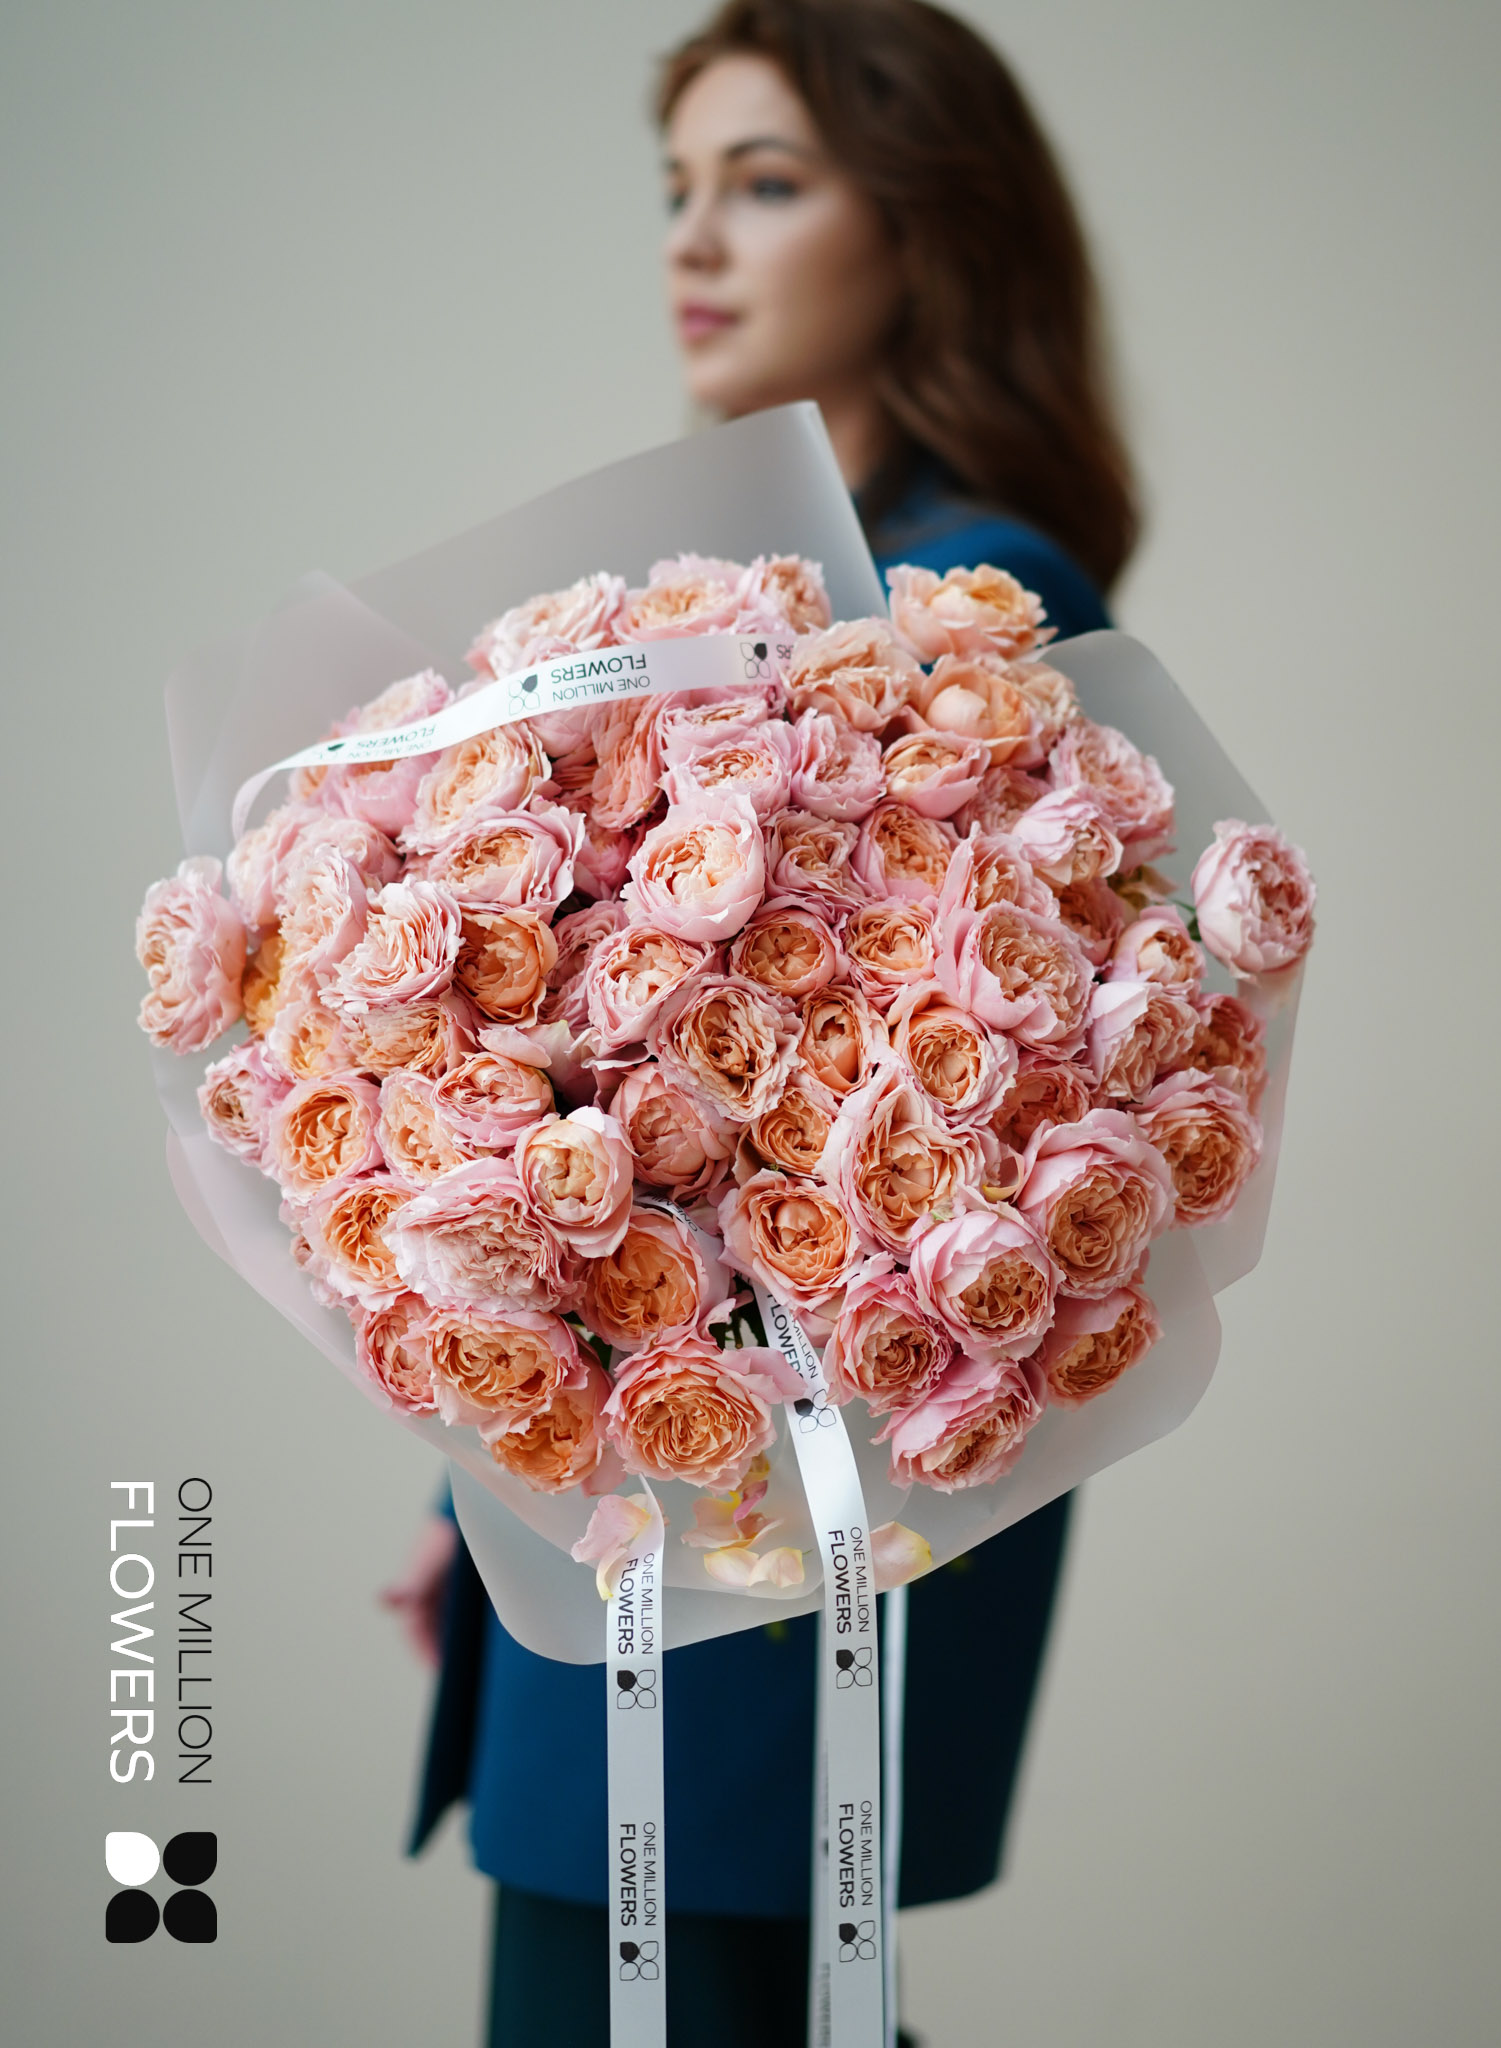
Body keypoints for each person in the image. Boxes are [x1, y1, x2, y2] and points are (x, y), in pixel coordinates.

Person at [386, 4, 1139, 2041]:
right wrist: (483, 1464)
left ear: (927, 224)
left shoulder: (967, 606)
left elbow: (846, 1123)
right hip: (677, 1491)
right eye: (678, 189)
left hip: (786, 1506)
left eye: (767, 182)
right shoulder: (782, 590)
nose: (693, 240)